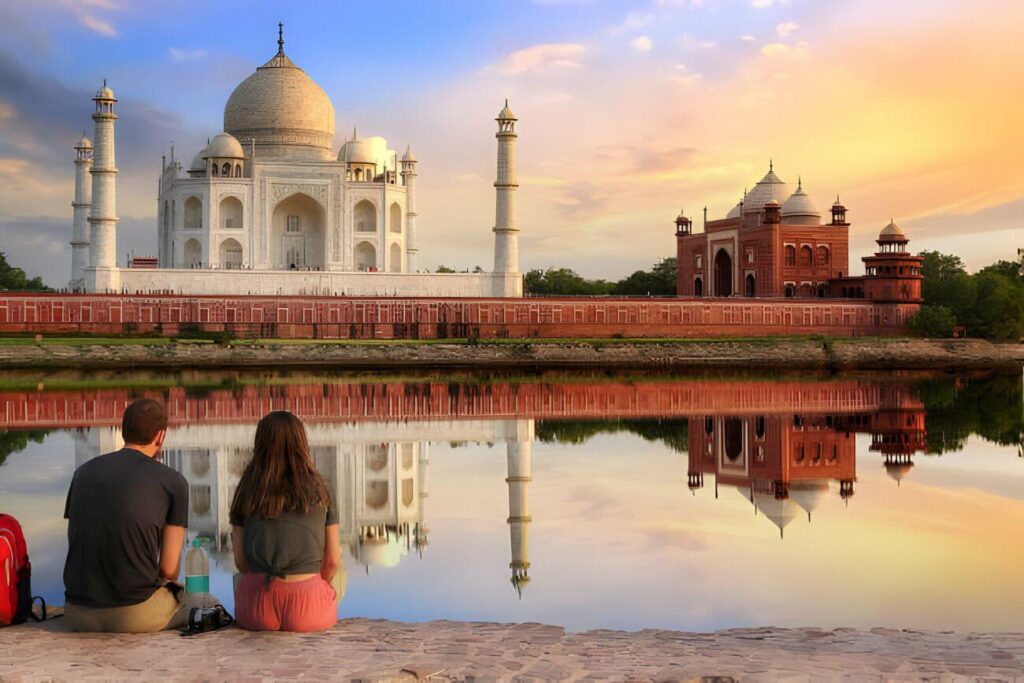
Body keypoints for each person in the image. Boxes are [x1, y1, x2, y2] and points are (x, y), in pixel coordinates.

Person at [62, 398, 217, 632]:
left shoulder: (83, 473)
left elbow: (79, 541)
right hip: (134, 614)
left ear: (123, 432)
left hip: (76, 612)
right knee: (207, 603)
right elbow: (168, 570)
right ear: (160, 436)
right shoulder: (172, 482)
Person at [230, 411, 341, 632]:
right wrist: (314, 587)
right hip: (308, 610)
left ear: (260, 444)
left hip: (257, 608)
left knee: (241, 579)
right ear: (301, 443)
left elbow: (241, 562)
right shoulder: (319, 489)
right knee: (337, 573)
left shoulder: (247, 488)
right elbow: (332, 562)